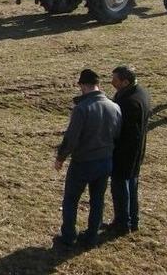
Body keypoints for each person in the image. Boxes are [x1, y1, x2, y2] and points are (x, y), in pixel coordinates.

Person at [53, 69, 122, 248]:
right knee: (97, 200)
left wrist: (60, 157)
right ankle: (92, 236)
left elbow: (71, 138)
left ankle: (68, 236)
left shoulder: (82, 109)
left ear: (83, 86)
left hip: (83, 162)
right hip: (106, 160)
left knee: (71, 200)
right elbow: (117, 133)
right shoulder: (114, 106)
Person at [106, 65, 151, 235]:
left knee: (120, 186)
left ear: (125, 82)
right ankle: (133, 219)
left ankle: (122, 223)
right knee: (131, 184)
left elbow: (121, 129)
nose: (112, 82)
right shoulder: (140, 93)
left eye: (115, 80)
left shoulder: (129, 102)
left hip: (125, 152)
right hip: (136, 150)